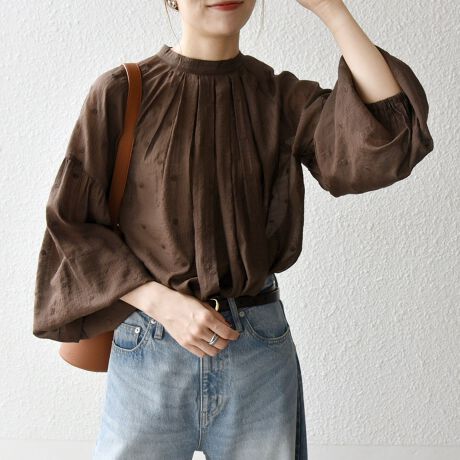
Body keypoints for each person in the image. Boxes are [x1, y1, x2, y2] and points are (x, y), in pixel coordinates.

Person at [32, 0, 434, 458]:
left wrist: (331, 10)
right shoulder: (121, 93)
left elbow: (386, 135)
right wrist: (161, 303)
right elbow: (73, 226)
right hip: (151, 346)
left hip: (257, 350)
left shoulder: (278, 98)